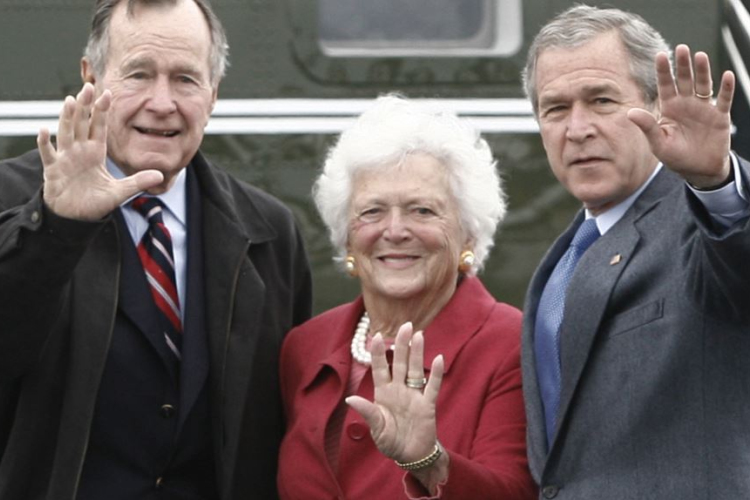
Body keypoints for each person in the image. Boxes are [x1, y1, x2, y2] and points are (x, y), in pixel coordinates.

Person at [0, 0, 312, 498]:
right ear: (91, 77)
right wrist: (57, 229)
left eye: (185, 79)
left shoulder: (268, 232)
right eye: (139, 75)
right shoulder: (12, 200)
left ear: (213, 94)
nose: (162, 102)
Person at [520, 4, 750, 499]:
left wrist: (716, 184)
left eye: (601, 100)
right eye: (555, 109)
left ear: (658, 107)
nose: (577, 129)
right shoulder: (561, 260)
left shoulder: (701, 218)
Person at [277, 95, 537, 499]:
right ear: (346, 238)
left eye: (422, 211)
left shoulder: (512, 344)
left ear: (468, 234)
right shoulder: (304, 347)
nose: (395, 231)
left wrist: (429, 462)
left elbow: (516, 493)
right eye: (372, 211)